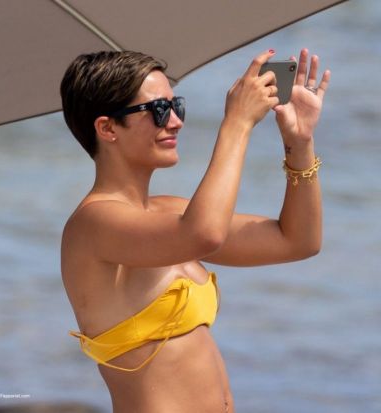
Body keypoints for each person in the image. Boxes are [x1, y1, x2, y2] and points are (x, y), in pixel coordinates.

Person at [60, 48, 330, 413]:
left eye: (177, 106)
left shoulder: (169, 213)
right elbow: (204, 234)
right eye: (159, 110)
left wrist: (299, 143)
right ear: (107, 128)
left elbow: (297, 241)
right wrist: (237, 123)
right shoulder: (93, 225)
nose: (175, 122)